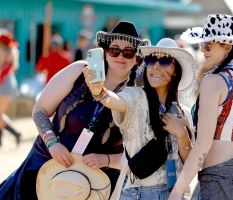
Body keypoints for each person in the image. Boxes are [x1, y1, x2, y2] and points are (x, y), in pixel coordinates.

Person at [0, 21, 149, 200]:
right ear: (105, 51)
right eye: (114, 50)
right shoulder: (79, 70)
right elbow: (40, 110)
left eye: (129, 52)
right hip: (46, 165)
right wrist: (52, 143)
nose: (121, 56)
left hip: (95, 184)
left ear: (137, 57)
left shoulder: (139, 94)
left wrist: (106, 159)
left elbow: (140, 153)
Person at [169, 14, 233, 200]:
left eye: (209, 45)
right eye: (202, 44)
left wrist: (178, 190)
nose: (203, 50)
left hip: (218, 179)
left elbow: (203, 145)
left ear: (227, 46)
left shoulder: (213, 81)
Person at [83, 38, 196, 199]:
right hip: (138, 194)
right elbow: (114, 100)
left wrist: (182, 134)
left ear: (176, 70)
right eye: (151, 59)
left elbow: (191, 164)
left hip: (175, 194)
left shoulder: (183, 112)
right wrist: (99, 92)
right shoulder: (134, 96)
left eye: (164, 61)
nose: (156, 66)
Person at [0, 30, 21, 146]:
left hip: (3, 84)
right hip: (7, 84)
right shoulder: (11, 52)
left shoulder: (3, 51)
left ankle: (16, 133)